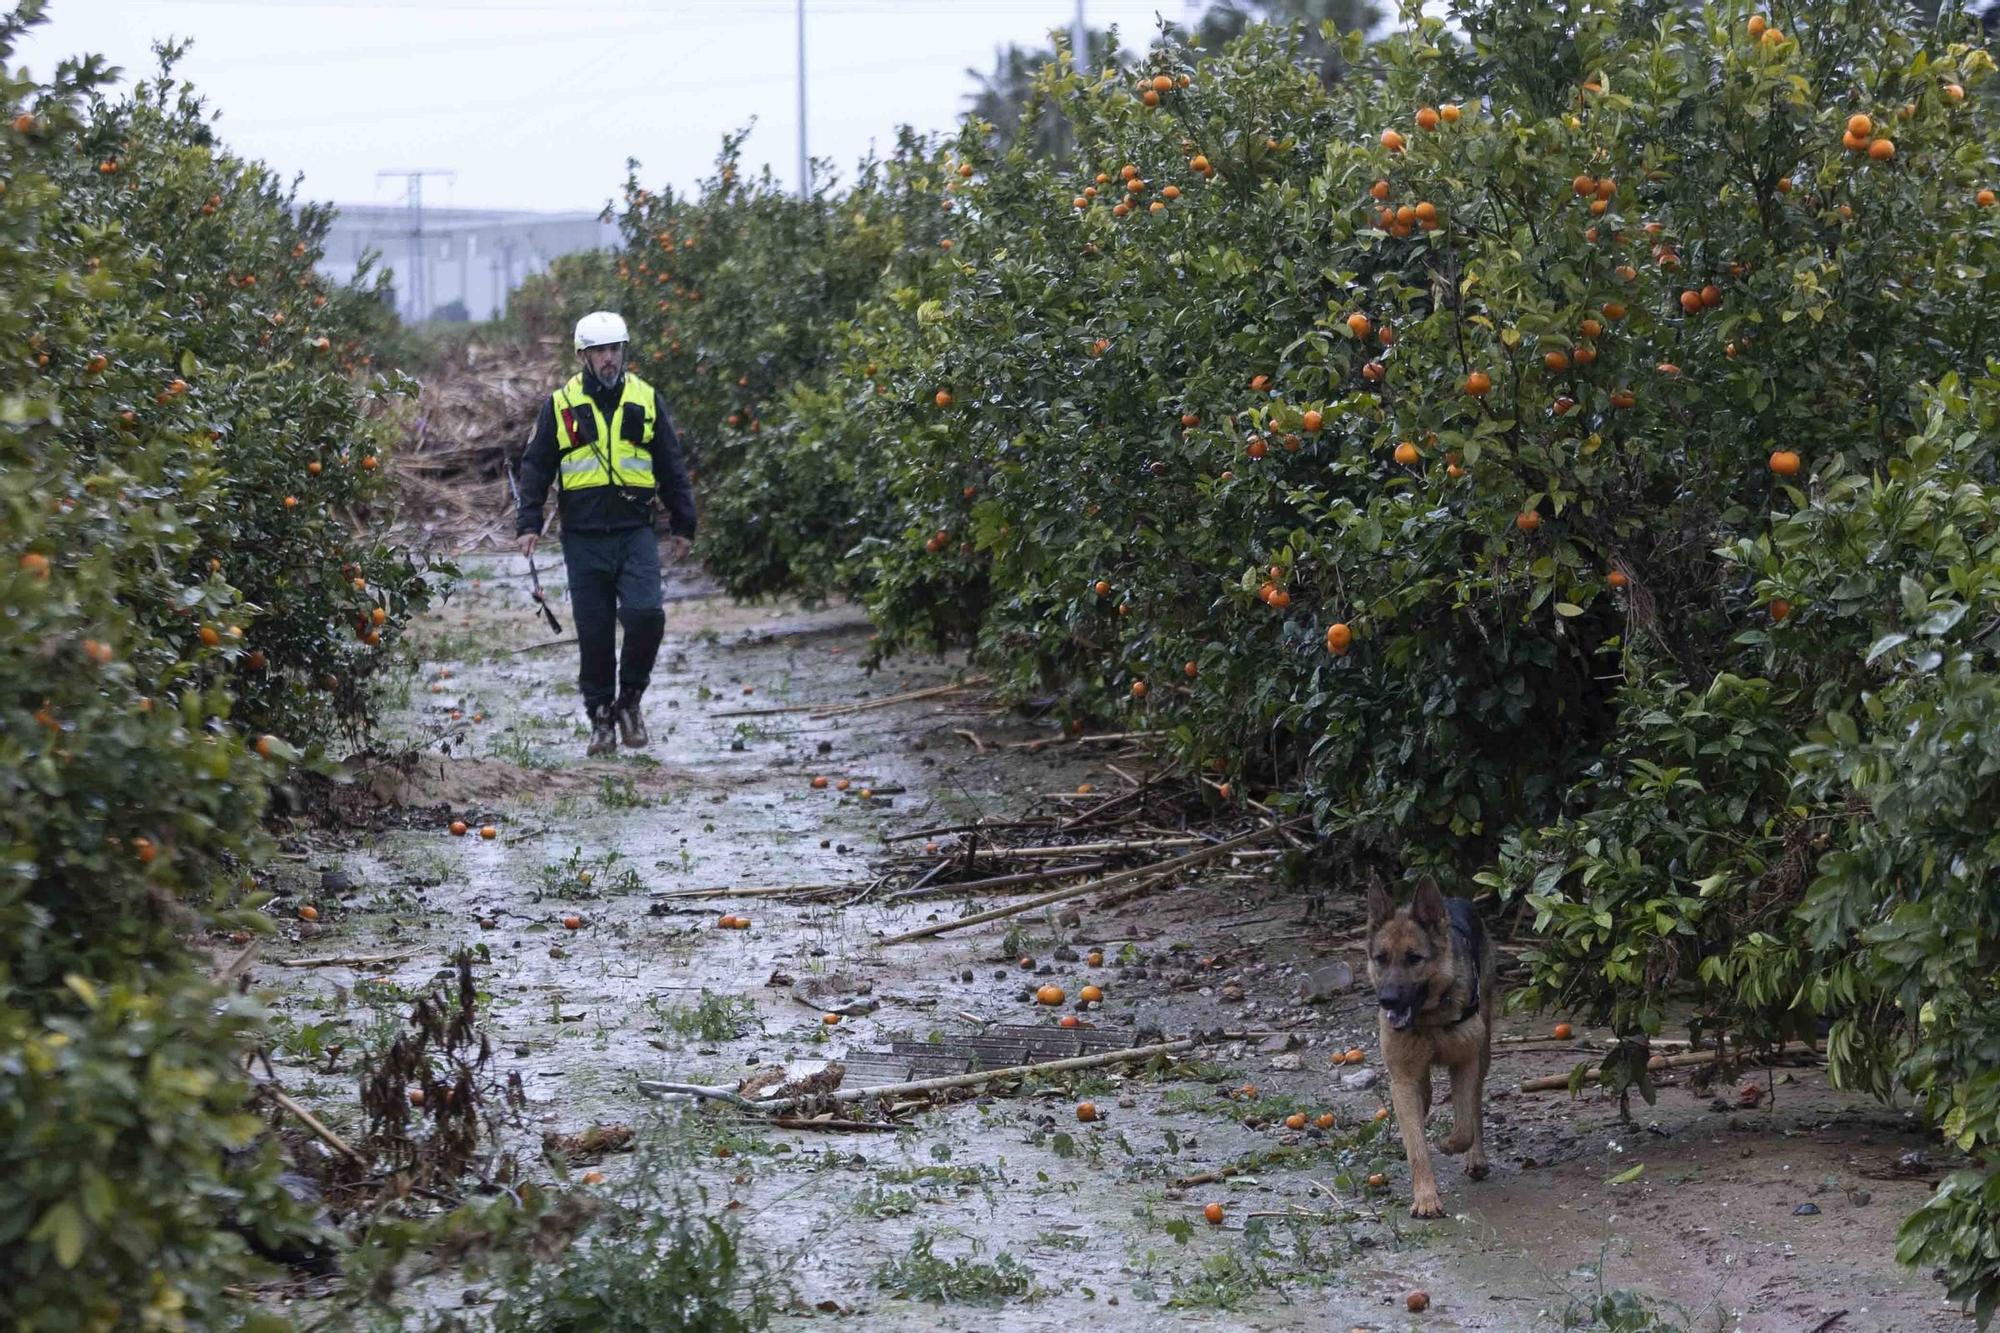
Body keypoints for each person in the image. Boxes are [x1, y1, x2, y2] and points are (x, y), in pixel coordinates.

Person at [515, 311, 696, 756]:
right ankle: (600, 719)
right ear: (583, 356)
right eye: (599, 351)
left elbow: (671, 464)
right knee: (594, 633)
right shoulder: (560, 404)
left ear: (623, 352)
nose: (609, 358)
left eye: (615, 349)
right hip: (583, 536)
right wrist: (529, 523)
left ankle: (630, 700)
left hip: (635, 530)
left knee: (646, 615)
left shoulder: (647, 399)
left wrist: (683, 522)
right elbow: (537, 466)